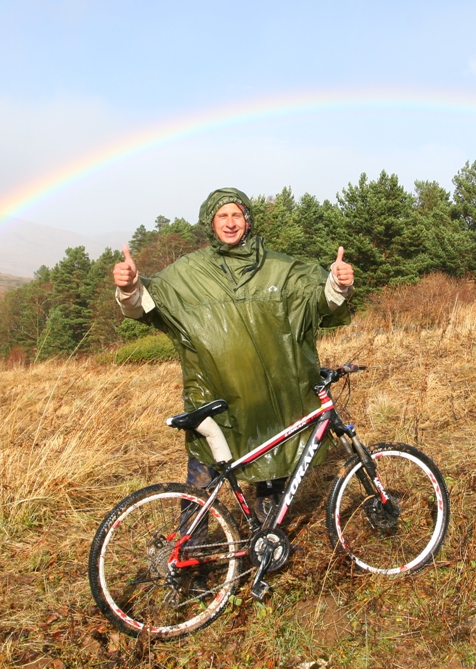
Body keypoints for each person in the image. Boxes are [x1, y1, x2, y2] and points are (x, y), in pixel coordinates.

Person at [113, 187, 354, 515]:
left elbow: (320, 301)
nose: (230, 223)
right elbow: (145, 304)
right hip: (214, 400)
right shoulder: (186, 274)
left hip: (272, 404)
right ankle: (188, 544)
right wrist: (128, 287)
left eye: (236, 215)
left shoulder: (280, 269)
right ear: (210, 223)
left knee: (272, 475)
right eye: (222, 216)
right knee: (201, 485)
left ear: (247, 220)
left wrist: (339, 283)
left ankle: (266, 537)